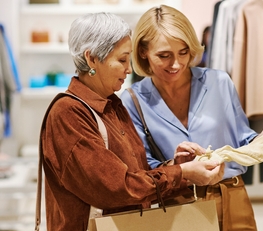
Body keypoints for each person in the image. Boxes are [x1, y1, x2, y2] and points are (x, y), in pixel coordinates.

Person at [40, 12, 224, 231]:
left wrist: (176, 166)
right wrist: (182, 173)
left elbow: (137, 176)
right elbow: (117, 187)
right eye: (121, 60)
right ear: (91, 59)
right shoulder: (68, 113)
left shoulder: (113, 106)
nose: (129, 69)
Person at [120, 5, 259, 231]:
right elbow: (142, 168)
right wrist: (176, 166)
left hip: (232, 196)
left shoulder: (219, 82)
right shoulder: (132, 101)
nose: (176, 64)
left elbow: (244, 140)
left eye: (183, 52)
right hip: (178, 206)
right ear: (143, 51)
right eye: (164, 56)